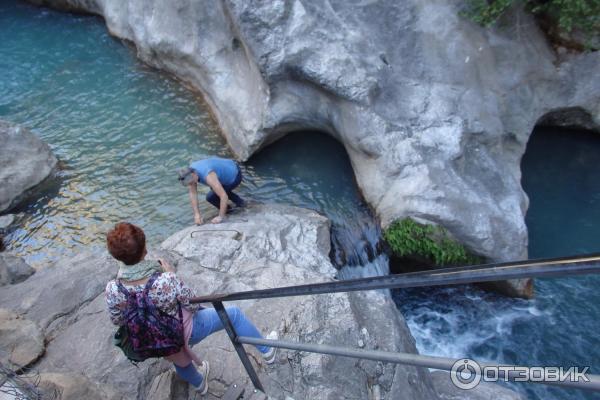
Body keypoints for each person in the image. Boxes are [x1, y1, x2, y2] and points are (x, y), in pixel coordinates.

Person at [104, 222, 277, 395]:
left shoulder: (113, 288)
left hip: (152, 338)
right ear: (144, 250)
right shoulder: (165, 280)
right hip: (184, 331)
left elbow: (117, 320)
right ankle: (268, 351)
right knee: (234, 315)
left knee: (177, 357)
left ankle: (201, 386)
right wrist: (171, 274)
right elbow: (192, 304)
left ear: (118, 257)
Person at [178, 157, 245, 225]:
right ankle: (233, 206)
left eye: (191, 182)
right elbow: (193, 194)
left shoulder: (208, 175)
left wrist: (221, 217)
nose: (191, 184)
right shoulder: (190, 172)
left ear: (194, 174)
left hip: (235, 174)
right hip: (226, 166)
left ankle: (238, 205)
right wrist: (196, 214)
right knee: (216, 190)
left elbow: (223, 196)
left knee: (211, 197)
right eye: (189, 183)